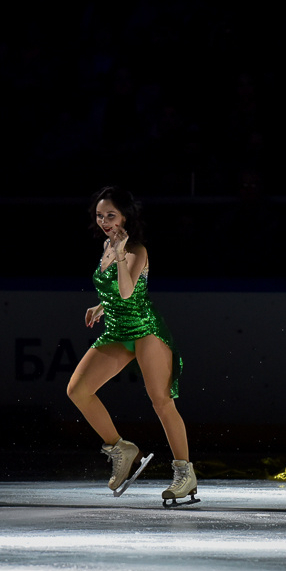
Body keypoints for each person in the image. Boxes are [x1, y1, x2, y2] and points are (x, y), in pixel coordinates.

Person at [67, 186, 198, 506]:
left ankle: (184, 472)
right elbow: (114, 292)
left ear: (126, 216)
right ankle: (120, 448)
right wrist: (101, 306)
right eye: (100, 216)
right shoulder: (106, 246)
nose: (105, 222)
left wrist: (122, 253)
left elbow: (128, 292)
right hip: (117, 329)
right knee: (77, 390)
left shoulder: (136, 250)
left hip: (145, 330)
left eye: (111, 215)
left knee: (160, 401)